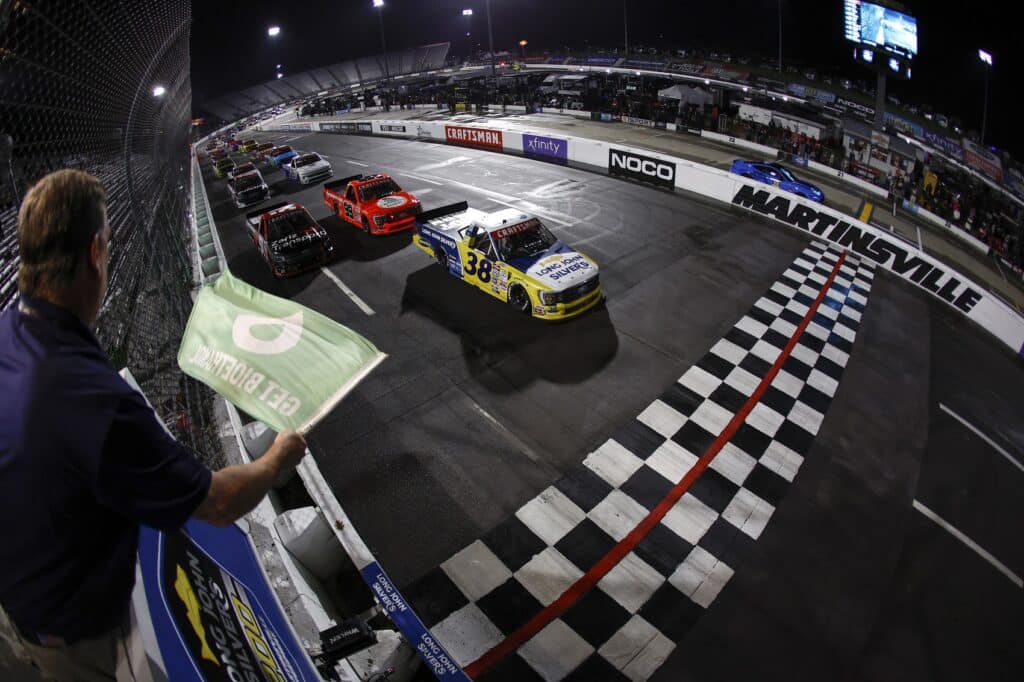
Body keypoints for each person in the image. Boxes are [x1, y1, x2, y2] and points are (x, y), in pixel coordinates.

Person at [0, 169, 309, 681]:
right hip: (75, 632)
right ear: (96, 253)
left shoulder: (12, 330)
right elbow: (218, 503)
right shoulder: (95, 400)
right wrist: (277, 458)